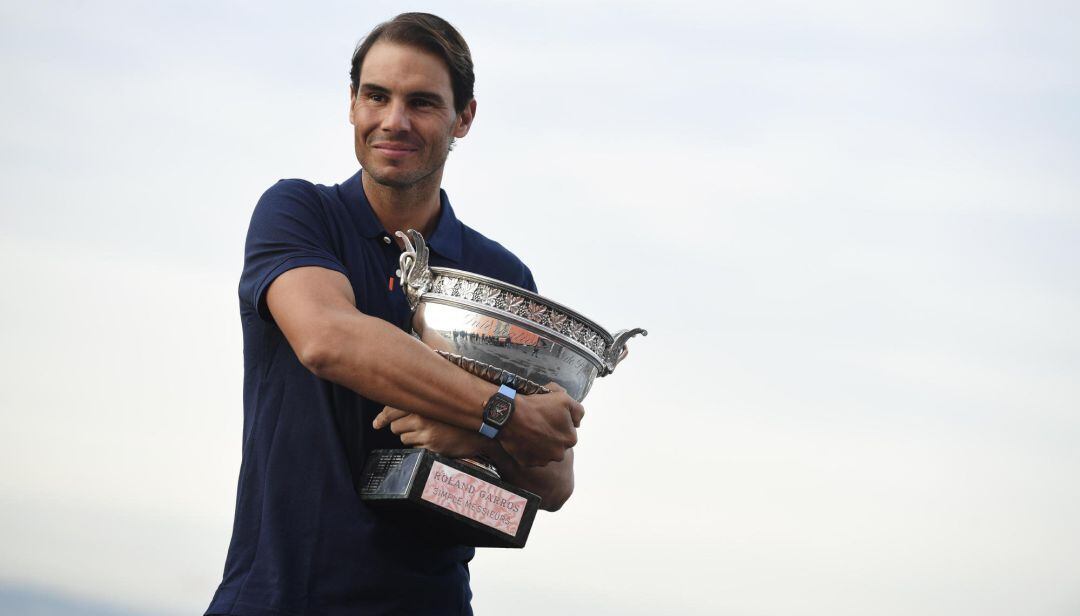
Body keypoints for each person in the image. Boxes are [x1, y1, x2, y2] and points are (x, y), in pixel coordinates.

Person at [205, 13, 584, 616]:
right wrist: (498, 415)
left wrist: (474, 438)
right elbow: (328, 339)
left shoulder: (501, 277)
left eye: (423, 102)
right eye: (376, 96)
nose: (394, 121)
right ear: (352, 103)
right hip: (280, 597)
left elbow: (554, 480)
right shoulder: (300, 213)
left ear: (465, 117)